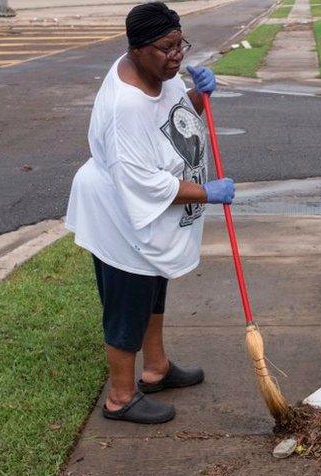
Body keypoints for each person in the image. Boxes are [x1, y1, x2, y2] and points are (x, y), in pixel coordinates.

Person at [65, 2, 235, 424]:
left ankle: (156, 369)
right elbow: (143, 182)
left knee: (153, 292)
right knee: (126, 304)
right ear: (138, 49)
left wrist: (199, 96)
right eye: (167, 47)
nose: (177, 54)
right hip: (119, 218)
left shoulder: (157, 72)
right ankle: (120, 398)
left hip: (144, 218)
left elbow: (170, 121)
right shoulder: (127, 106)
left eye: (181, 44)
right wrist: (206, 193)